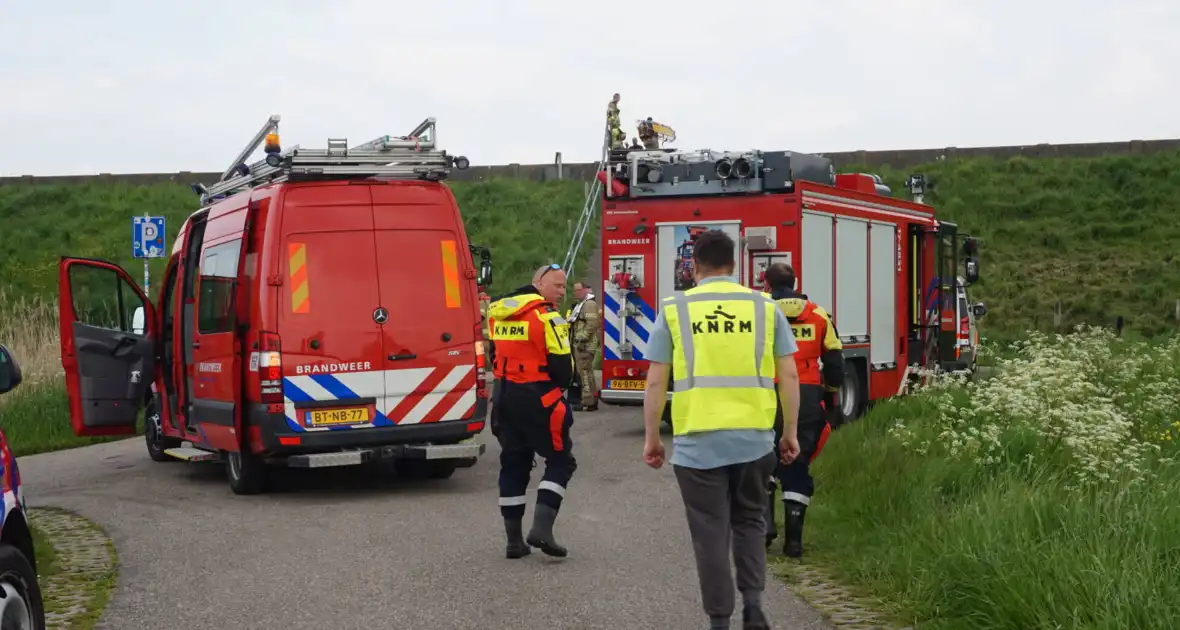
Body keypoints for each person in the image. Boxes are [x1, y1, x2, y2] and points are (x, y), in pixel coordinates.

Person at [641, 230, 801, 630]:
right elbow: (790, 375)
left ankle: (719, 622)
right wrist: (789, 433)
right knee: (750, 522)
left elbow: (656, 382)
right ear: (734, 265)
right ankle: (753, 604)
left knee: (709, 533)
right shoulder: (765, 307)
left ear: (694, 266)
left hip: (698, 445)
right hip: (754, 440)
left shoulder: (676, 308)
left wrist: (652, 438)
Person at [487, 263, 576, 559]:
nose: (562, 292)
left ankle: (514, 542)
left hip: (503, 396)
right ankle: (542, 530)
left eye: (564, 287)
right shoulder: (548, 317)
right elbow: (564, 371)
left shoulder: (499, 313)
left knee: (514, 463)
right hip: (538, 397)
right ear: (538, 283)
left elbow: (493, 354)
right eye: (557, 286)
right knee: (560, 460)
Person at [760, 262, 844, 558]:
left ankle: (765, 527)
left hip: (766, 393)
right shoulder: (818, 314)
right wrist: (831, 393)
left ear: (767, 285)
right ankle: (793, 542)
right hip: (806, 395)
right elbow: (834, 361)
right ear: (795, 282)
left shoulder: (760, 312)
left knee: (763, 459)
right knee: (797, 462)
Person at [568, 281, 600, 412]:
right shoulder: (581, 304)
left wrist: (581, 339)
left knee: (585, 373)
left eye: (578, 290)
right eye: (575, 291)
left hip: (585, 345)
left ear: (586, 290)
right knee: (584, 372)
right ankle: (589, 400)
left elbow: (592, 324)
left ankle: (588, 402)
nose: (576, 294)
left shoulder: (589, 304)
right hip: (581, 344)